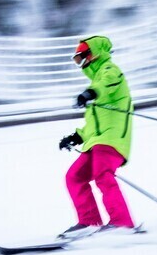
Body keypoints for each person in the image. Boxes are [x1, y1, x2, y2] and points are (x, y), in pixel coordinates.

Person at [58, 35, 136, 238]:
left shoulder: (110, 71)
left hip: (112, 139)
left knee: (102, 174)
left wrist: (90, 93)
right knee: (74, 177)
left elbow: (106, 85)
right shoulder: (95, 80)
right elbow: (94, 124)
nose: (81, 62)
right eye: (77, 59)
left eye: (82, 56)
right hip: (96, 141)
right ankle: (89, 221)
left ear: (94, 53)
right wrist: (76, 137)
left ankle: (122, 222)